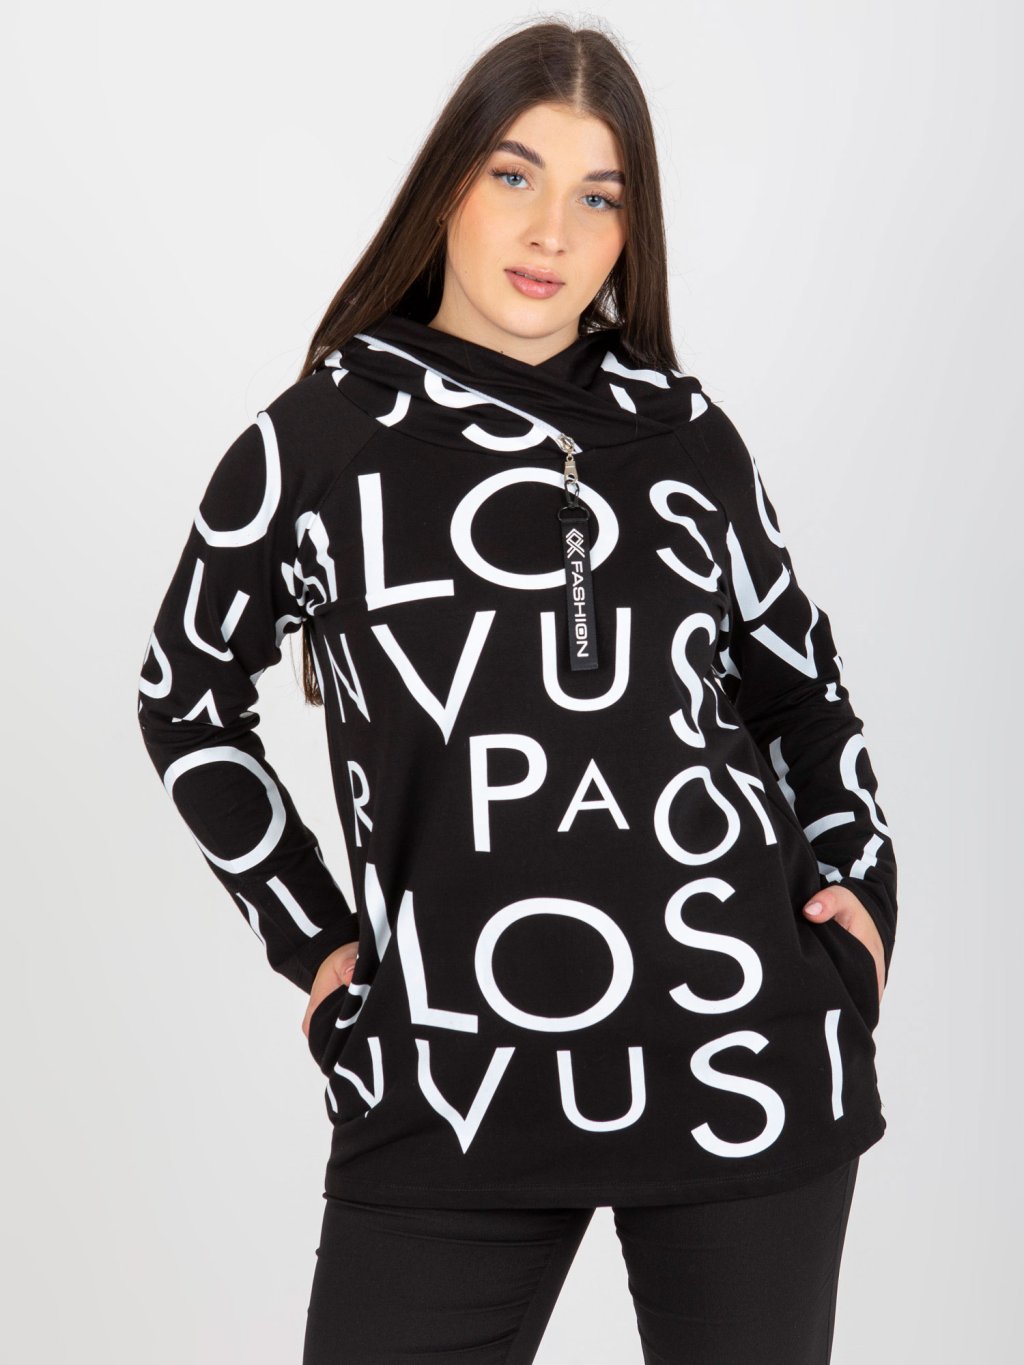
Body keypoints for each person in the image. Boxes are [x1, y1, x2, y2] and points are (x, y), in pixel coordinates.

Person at [135, 18, 898, 1364]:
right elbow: (183, 695)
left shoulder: (686, 437)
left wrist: (863, 908)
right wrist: (317, 944)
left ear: (629, 233)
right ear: (447, 185)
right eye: (514, 175)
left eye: (601, 196)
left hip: (742, 1061)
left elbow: (801, 693)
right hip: (448, 1083)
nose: (553, 230)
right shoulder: (315, 444)